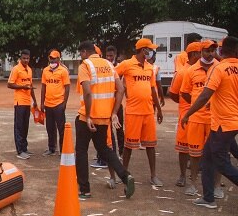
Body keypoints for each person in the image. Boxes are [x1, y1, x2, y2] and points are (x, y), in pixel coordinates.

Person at [181, 36, 238, 208]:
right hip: (227, 122)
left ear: (221, 51)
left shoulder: (219, 69)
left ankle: (208, 197)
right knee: (207, 158)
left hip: (223, 123)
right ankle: (208, 197)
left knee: (220, 161)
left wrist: (188, 114)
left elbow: (205, 95)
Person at [74, 41, 135, 200]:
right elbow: (121, 89)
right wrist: (114, 113)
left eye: (81, 53)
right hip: (105, 117)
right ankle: (125, 176)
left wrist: (87, 116)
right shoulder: (109, 64)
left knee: (81, 151)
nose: (81, 56)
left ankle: (85, 190)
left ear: (85, 52)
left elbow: (87, 92)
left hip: (87, 118)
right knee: (104, 149)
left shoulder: (85, 65)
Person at [115, 38, 164, 186]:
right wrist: (120, 89)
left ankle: (153, 175)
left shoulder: (150, 67)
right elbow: (114, 75)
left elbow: (152, 89)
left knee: (150, 145)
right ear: (143, 50)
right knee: (129, 146)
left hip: (148, 111)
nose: (150, 52)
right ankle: (123, 173)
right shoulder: (127, 64)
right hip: (133, 112)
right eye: (149, 49)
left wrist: (159, 109)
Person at [180, 40, 221, 197]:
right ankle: (193, 184)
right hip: (196, 119)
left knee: (217, 154)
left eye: (213, 50)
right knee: (195, 154)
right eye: (207, 50)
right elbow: (184, 92)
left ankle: (217, 186)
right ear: (201, 51)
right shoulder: (191, 70)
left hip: (215, 119)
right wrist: (196, 105)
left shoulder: (219, 68)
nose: (210, 53)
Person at [168, 42, 202, 187]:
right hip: (186, 114)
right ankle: (183, 175)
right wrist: (185, 104)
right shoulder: (182, 72)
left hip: (202, 115)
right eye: (201, 52)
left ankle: (201, 174)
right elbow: (173, 94)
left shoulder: (206, 69)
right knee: (183, 147)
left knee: (202, 147)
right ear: (194, 54)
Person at [8, 49, 37, 159]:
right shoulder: (16, 69)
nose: (26, 60)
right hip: (19, 102)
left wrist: (35, 101)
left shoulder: (29, 70)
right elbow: (9, 84)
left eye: (27, 58)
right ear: (21, 58)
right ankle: (20, 151)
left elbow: (31, 86)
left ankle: (24, 148)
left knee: (25, 127)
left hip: (27, 102)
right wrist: (22, 87)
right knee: (19, 127)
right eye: (24, 58)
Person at [40, 49, 70, 155]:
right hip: (48, 104)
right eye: (51, 58)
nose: (52, 60)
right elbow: (43, 87)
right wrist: (41, 103)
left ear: (58, 59)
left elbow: (67, 88)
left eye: (54, 58)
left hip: (59, 104)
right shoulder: (45, 71)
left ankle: (63, 150)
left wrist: (64, 103)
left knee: (61, 129)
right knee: (50, 128)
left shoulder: (63, 71)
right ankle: (51, 148)